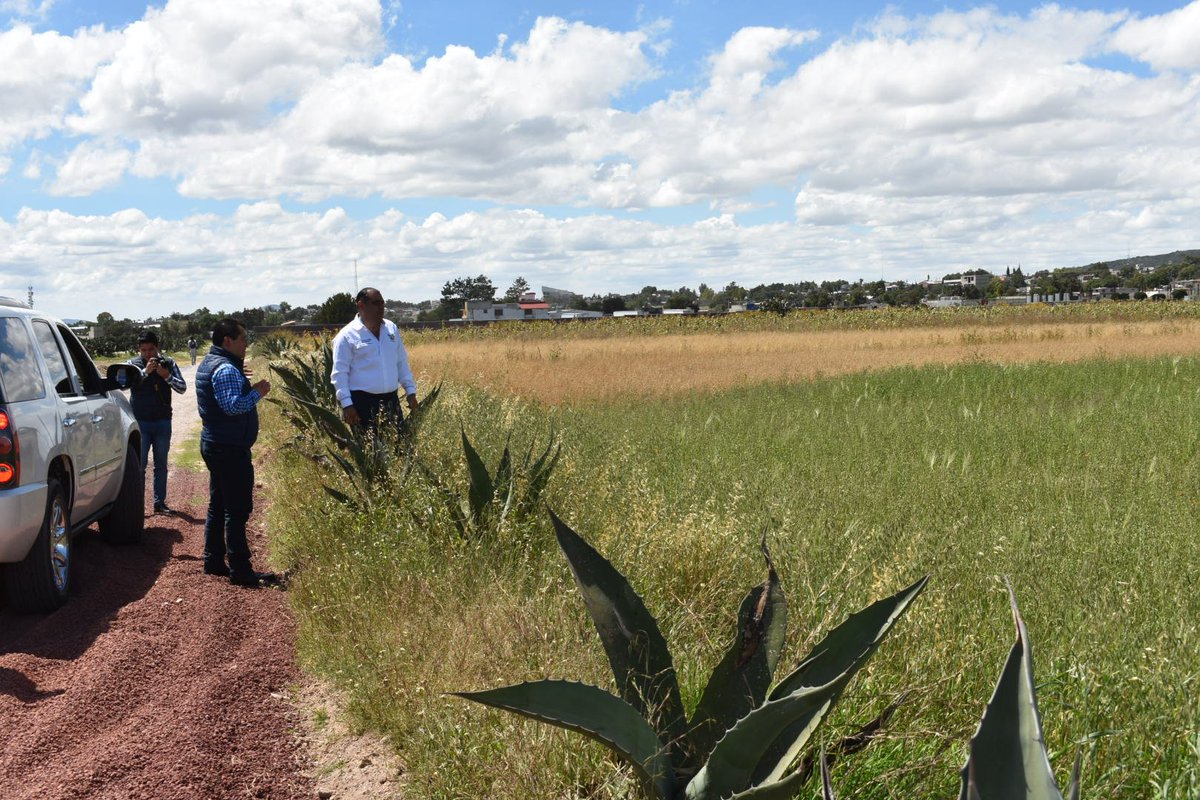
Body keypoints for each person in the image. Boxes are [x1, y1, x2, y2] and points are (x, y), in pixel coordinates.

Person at [195, 318, 277, 587]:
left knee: (218, 505)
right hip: (229, 448)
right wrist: (257, 392)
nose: (246, 345)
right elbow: (231, 407)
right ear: (227, 341)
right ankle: (240, 569)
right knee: (236, 509)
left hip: (215, 443)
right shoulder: (226, 369)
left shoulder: (210, 363)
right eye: (243, 339)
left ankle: (214, 561)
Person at [330, 287, 418, 430]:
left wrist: (410, 391)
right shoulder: (347, 336)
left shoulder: (391, 329)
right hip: (362, 403)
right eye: (376, 303)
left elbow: (401, 362)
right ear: (361, 305)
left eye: (382, 303)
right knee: (370, 451)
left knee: (400, 449)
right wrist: (347, 405)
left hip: (391, 401)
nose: (381, 307)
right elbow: (339, 373)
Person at [126, 330, 187, 514]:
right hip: (140, 423)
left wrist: (165, 375)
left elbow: (182, 388)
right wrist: (145, 373)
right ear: (139, 349)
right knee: (139, 467)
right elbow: (127, 384)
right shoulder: (132, 365)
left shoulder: (168, 363)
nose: (147, 354)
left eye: (151, 349)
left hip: (162, 422)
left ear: (157, 348)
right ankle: (137, 507)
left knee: (161, 465)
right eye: (143, 350)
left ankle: (159, 504)